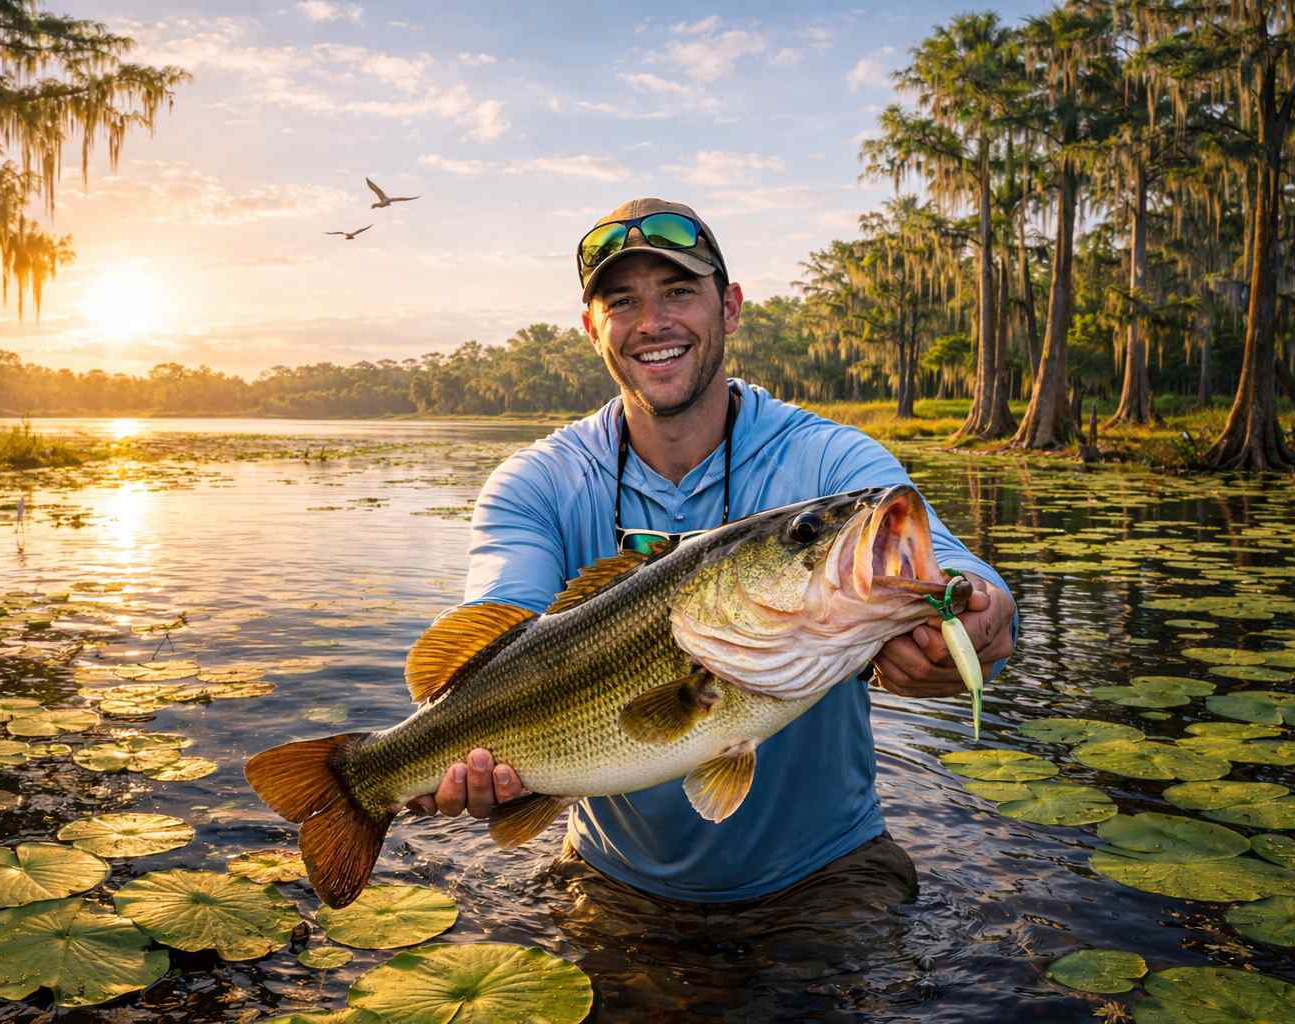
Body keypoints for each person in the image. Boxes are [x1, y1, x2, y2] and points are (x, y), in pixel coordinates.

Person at [410, 197, 1015, 1009]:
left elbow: (959, 572)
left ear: (729, 306)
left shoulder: (830, 459)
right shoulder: (537, 483)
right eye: (622, 300)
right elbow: (496, 639)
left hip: (829, 875)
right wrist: (449, 758)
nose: (653, 321)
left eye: (679, 291)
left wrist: (976, 615)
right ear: (592, 328)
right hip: (609, 880)